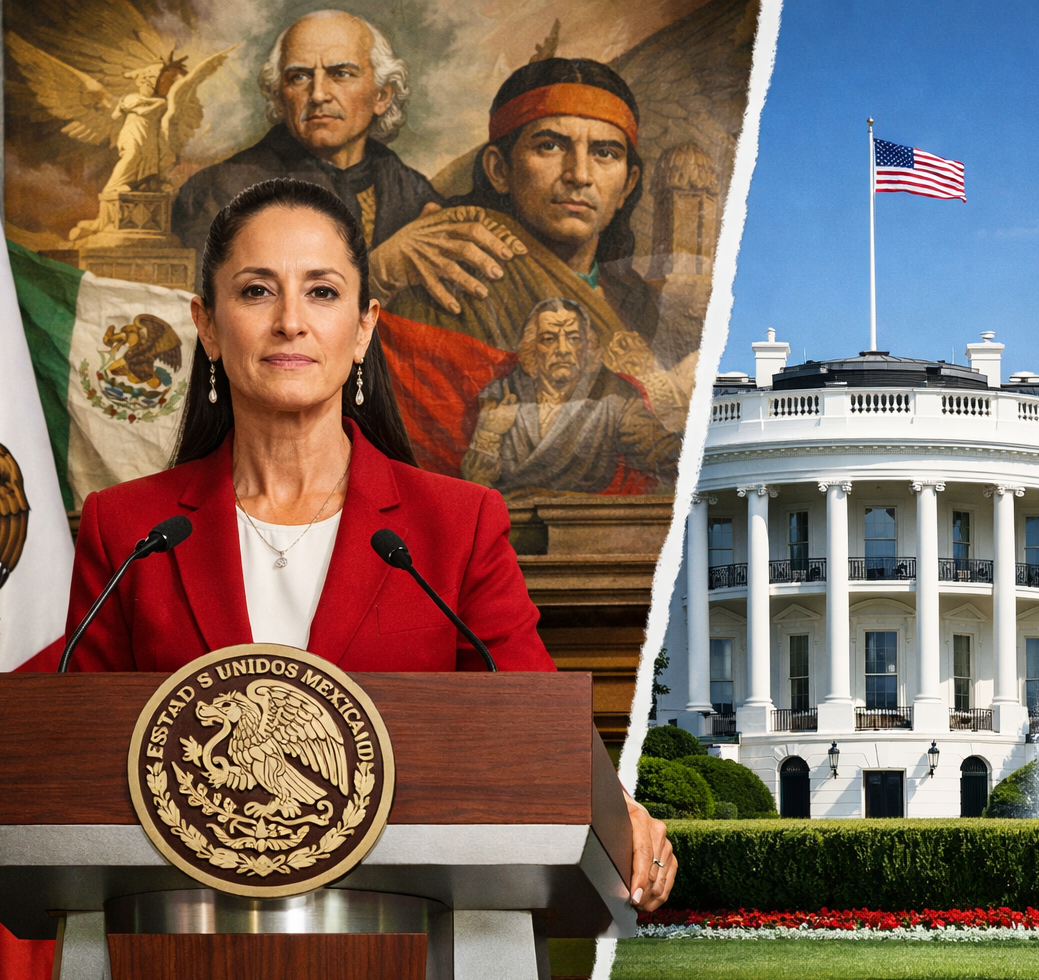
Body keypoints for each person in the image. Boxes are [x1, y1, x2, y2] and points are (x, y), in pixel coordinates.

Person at [63, 178, 675, 909]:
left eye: (321, 293)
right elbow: (79, 761)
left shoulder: (455, 526)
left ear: (363, 329)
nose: (291, 321)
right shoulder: (129, 530)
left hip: (415, 952)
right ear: (208, 325)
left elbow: (538, 729)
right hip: (182, 947)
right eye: (257, 291)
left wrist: (617, 813)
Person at [172, 10, 520, 316]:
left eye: (341, 74)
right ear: (281, 96)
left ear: (382, 95)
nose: (319, 93)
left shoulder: (412, 191)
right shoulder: (218, 192)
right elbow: (230, 314)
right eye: (299, 77)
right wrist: (379, 271)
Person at [387, 57, 660, 353]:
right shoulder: (441, 296)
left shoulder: (640, 307)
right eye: (550, 146)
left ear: (627, 185)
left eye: (605, 153)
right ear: (500, 170)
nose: (580, 175)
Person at [463, 298, 679, 495]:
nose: (563, 349)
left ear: (587, 347)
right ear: (532, 348)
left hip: (579, 523)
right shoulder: (503, 395)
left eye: (574, 338)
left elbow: (663, 454)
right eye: (549, 339)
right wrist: (488, 434)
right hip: (512, 520)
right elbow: (476, 483)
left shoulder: (614, 396)